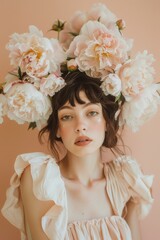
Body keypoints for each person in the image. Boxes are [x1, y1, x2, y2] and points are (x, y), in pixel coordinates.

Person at [1, 3, 159, 240]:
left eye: (92, 113)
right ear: (57, 128)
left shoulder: (124, 179)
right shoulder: (42, 181)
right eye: (67, 116)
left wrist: (133, 208)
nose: (80, 126)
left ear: (108, 120)